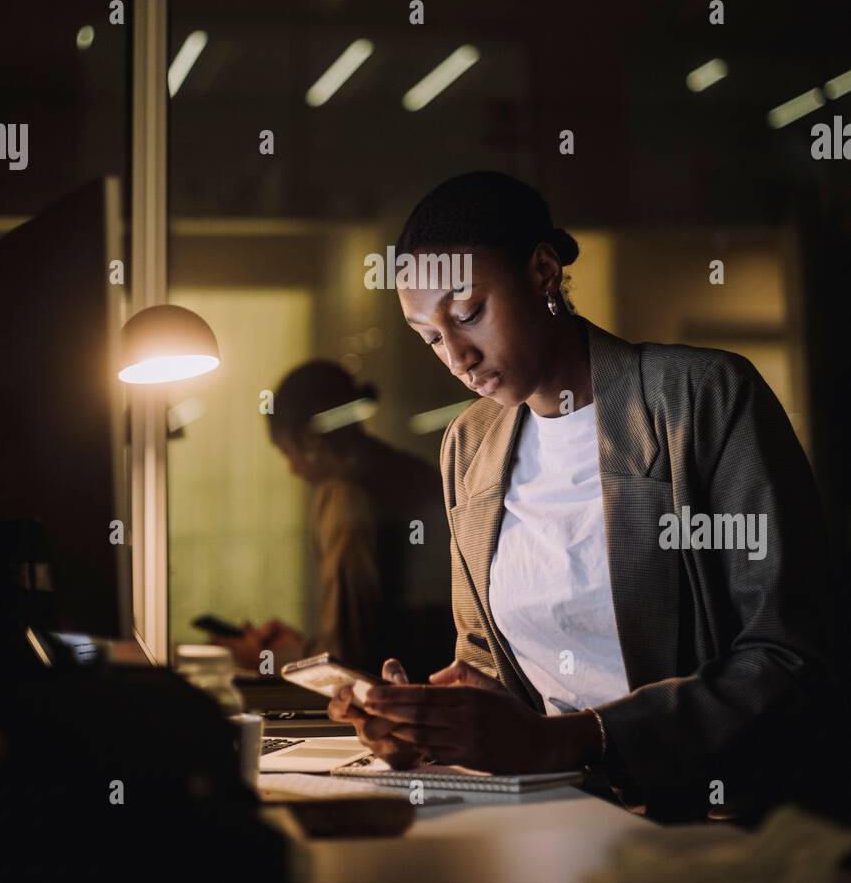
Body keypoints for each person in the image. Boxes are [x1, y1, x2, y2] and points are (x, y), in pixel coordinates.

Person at [329, 170, 845, 824]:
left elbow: (790, 658)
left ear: (544, 273)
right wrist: (424, 724)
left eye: (467, 315)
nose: (455, 355)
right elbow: (488, 665)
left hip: (715, 823)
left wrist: (574, 740)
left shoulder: (702, 397)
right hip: (552, 816)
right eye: (430, 337)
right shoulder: (468, 445)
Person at [211, 361, 451, 680]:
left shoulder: (345, 496)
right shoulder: (415, 474)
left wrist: (265, 656)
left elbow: (351, 655)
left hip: (396, 695)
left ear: (311, 440)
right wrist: (304, 646)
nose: (292, 470)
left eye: (288, 453)